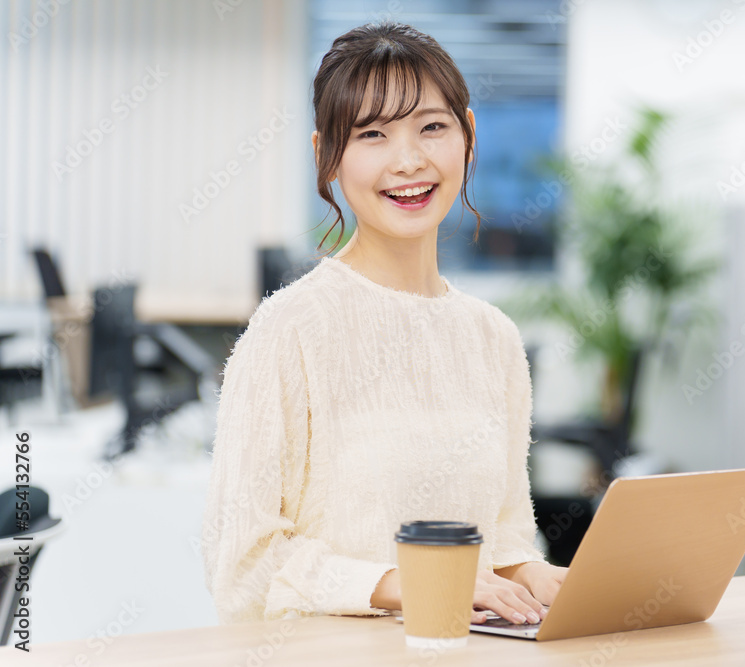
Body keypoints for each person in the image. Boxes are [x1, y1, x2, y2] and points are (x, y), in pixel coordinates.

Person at [200, 20, 568, 627]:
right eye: (372, 134)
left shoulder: (493, 338)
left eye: (432, 127)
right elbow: (242, 568)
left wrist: (537, 574)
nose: (409, 161)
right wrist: (412, 584)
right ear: (326, 156)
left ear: (469, 136)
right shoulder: (288, 330)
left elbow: (500, 541)